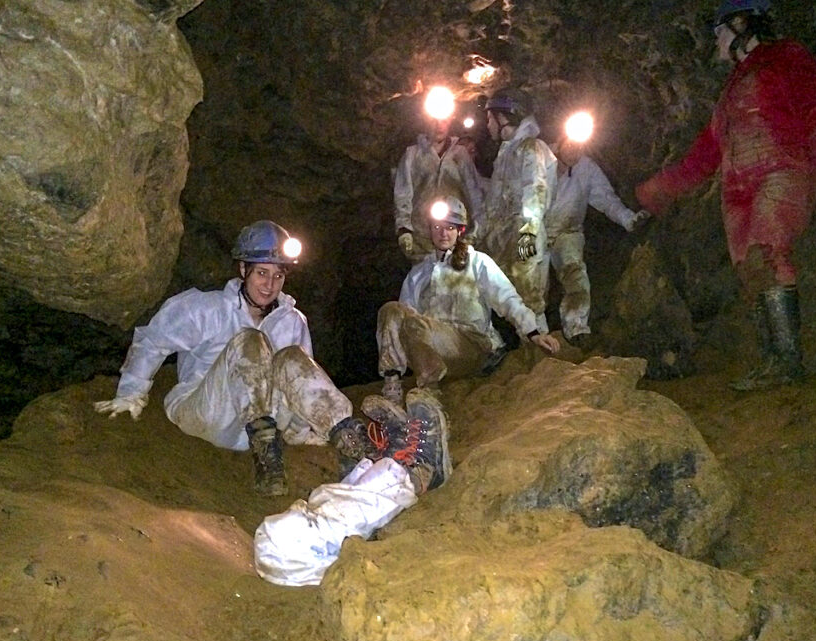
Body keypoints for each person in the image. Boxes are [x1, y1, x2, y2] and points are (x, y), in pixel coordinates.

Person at [635, 0, 816, 390]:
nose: (716, 40)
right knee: (749, 267)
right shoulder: (729, 92)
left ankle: (787, 360)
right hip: (737, 190)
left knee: (768, 249)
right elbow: (706, 152)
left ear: (741, 24)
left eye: (720, 31)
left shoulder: (785, 58)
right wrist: (664, 186)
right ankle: (771, 360)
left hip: (781, 170)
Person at [94, 220, 374, 495]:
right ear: (243, 269)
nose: (269, 285)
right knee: (250, 340)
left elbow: (302, 383)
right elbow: (153, 339)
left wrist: (300, 432)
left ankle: (351, 444)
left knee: (292, 357)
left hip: (271, 424)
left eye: (278, 276)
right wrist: (130, 393)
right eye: (261, 273)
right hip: (208, 412)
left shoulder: (292, 320)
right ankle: (267, 462)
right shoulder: (207, 308)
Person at [253, 388, 449, 587]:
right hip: (295, 560)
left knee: (312, 511)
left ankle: (390, 461)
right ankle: (419, 472)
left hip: (278, 558)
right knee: (318, 531)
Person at [376, 196, 561, 405]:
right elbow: (402, 319)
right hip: (432, 347)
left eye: (450, 228)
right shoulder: (419, 273)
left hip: (471, 346)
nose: (443, 233)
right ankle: (392, 384)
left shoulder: (477, 262)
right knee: (390, 310)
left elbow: (506, 298)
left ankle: (430, 391)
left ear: (460, 231)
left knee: (415, 324)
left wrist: (533, 331)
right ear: (430, 230)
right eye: (437, 227)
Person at [545, 116, 651, 348]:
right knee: (528, 278)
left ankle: (576, 329)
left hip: (567, 232)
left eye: (581, 145)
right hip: (531, 231)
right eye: (572, 143)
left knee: (575, 273)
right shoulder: (538, 159)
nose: (576, 150)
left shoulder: (587, 169)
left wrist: (628, 220)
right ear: (560, 139)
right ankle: (530, 333)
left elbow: (606, 199)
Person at [480, 88, 558, 333]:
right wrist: (473, 234)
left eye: (490, 118)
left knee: (529, 298)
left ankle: (544, 357)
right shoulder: (506, 154)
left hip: (524, 234)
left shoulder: (531, 148)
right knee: (504, 297)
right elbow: (493, 204)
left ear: (505, 117)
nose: (487, 124)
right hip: (505, 237)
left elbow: (535, 194)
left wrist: (528, 236)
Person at [394, 86, 485, 264]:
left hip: (455, 236)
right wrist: (404, 230)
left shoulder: (460, 155)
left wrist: (476, 230)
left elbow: (474, 193)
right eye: (435, 120)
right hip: (422, 238)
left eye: (443, 120)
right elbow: (403, 194)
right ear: (426, 121)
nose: (439, 125)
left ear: (450, 121)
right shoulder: (412, 155)